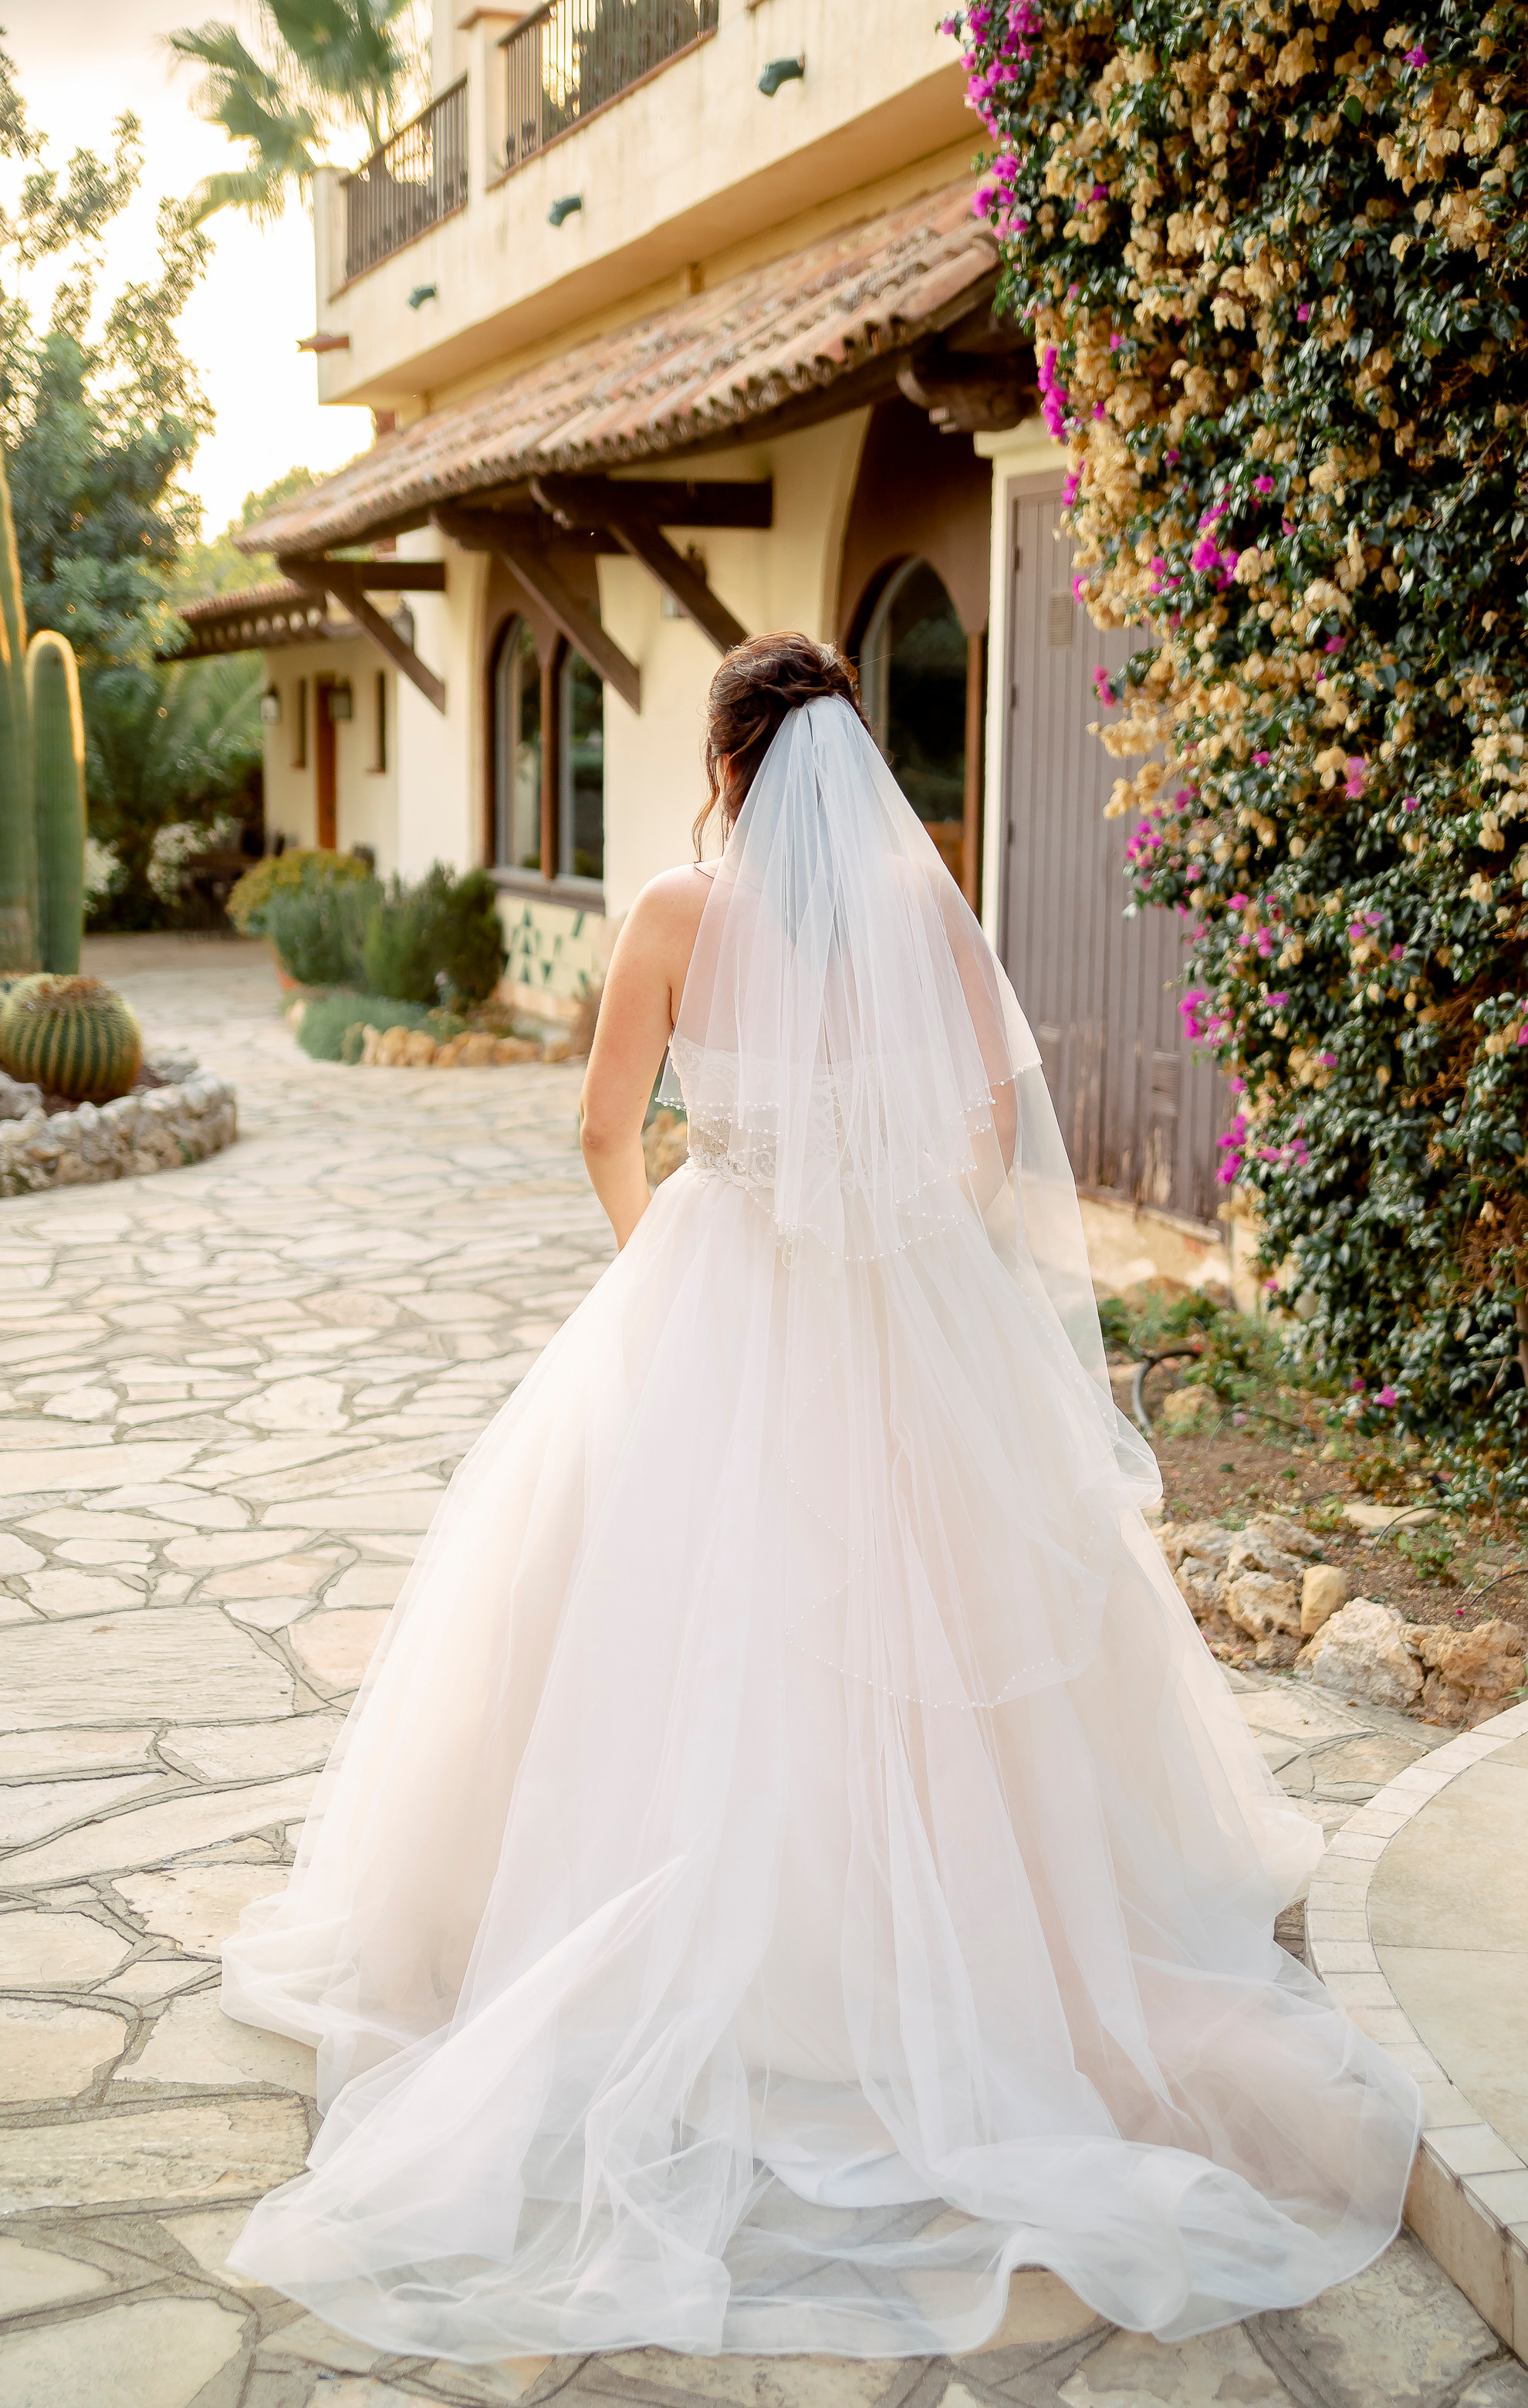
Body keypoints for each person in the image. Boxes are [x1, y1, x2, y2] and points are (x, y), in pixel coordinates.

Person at [221, 634, 1421, 2363]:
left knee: (658, 1621)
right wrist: (886, 1239)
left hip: (719, 1277)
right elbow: (988, 1141)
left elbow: (601, 1132)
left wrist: (668, 1270)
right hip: (892, 1299)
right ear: (850, 768)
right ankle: (951, 1957)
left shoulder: (670, 916)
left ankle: (673, 1951)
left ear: (725, 764)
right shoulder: (920, 910)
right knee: (928, 1622)